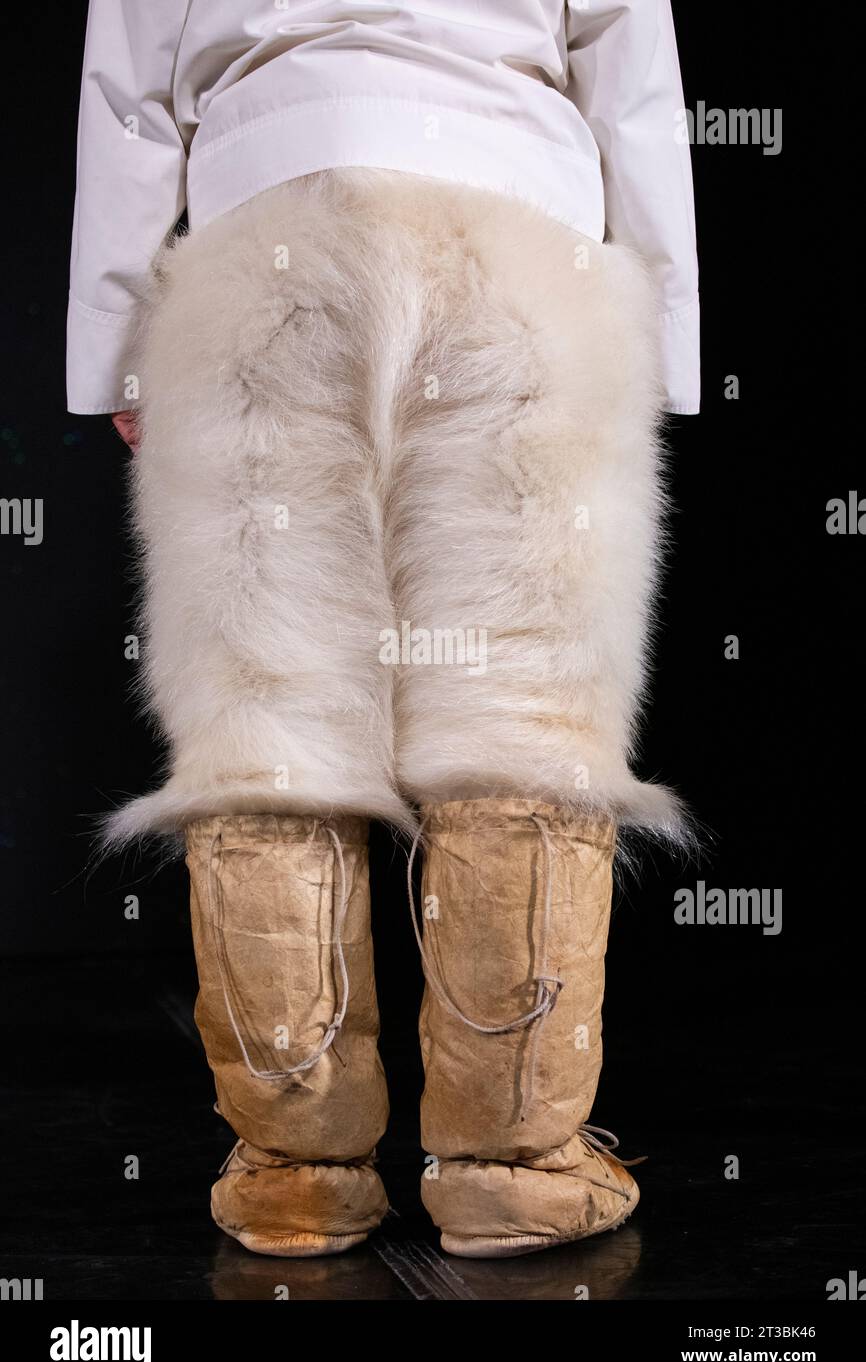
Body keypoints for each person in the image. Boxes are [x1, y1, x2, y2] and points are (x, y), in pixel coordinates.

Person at [67, 1, 699, 1260]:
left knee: (266, 720)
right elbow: (628, 72)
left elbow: (127, 92)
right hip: (519, 242)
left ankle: (295, 1174)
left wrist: (118, 352)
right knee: (521, 716)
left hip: (261, 240)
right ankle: (512, 1169)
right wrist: (664, 343)